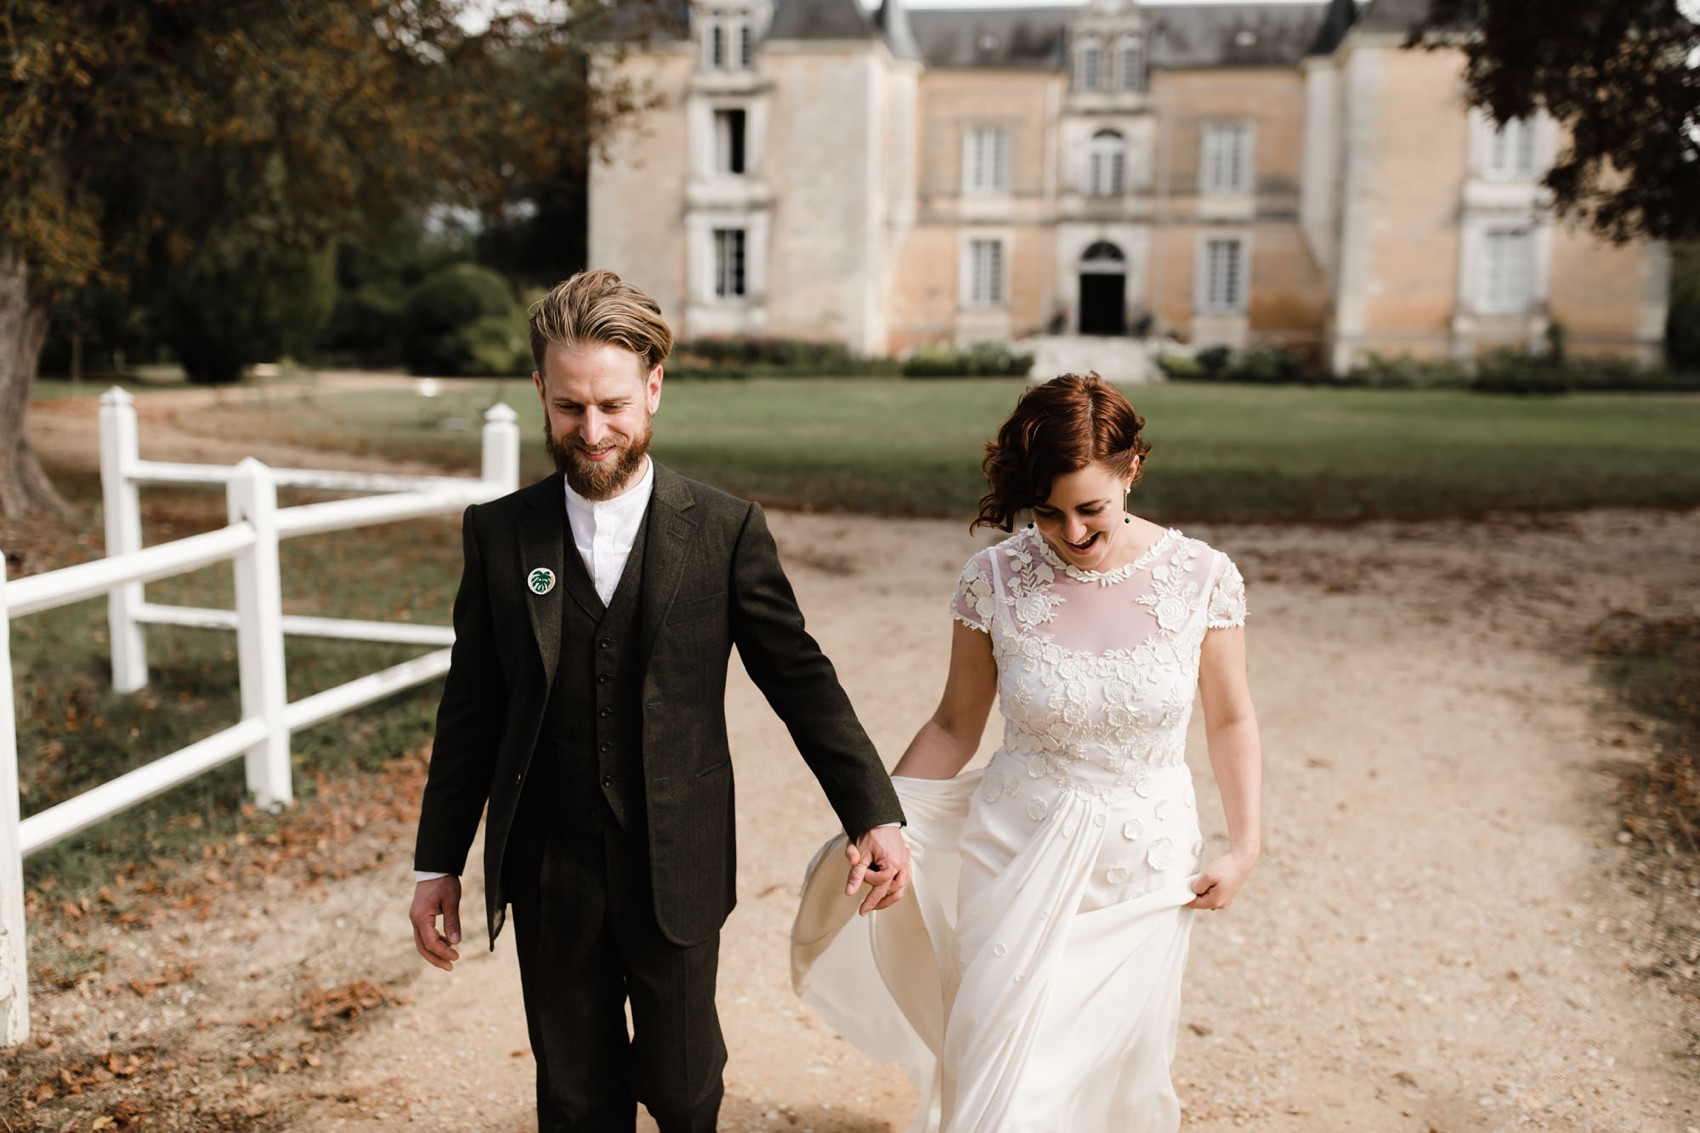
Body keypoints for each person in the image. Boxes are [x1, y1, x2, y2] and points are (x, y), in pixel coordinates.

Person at [408, 269, 911, 1132]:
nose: (592, 430)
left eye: (611, 404)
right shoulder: (499, 534)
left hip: (675, 858)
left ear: (654, 387)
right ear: (539, 391)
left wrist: (874, 811)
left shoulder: (723, 530)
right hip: (549, 859)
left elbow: (799, 676)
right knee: (574, 1097)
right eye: (569, 407)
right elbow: (471, 708)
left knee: (683, 1088)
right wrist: (437, 861)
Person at [792, 373, 1262, 1133]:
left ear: (1131, 468)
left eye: (1090, 509)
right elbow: (953, 723)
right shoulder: (995, 579)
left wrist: (1246, 846)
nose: (1071, 532)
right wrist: (883, 818)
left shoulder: (1203, 578)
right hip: (1013, 845)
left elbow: (1232, 718)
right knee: (998, 1063)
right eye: (1048, 512)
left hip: (1142, 865)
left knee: (1115, 1072)